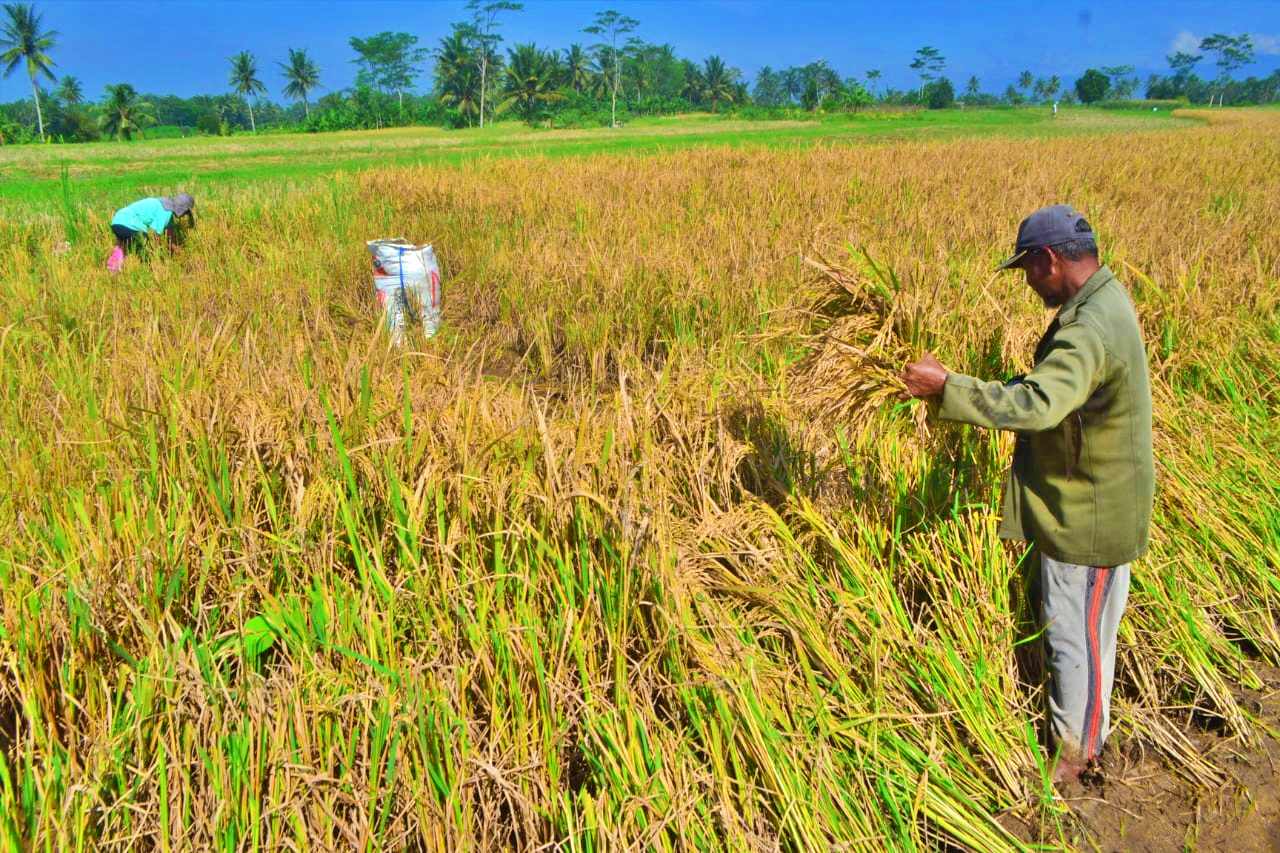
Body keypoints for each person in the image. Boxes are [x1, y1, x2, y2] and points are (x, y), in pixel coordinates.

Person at [900, 205, 1153, 784]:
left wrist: (948, 388)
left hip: (1086, 518)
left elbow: (1041, 405)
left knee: (1074, 640)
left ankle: (1076, 759)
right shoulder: (1104, 301)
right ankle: (1088, 737)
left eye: (1028, 271)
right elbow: (1052, 390)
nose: (1028, 283)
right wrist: (960, 389)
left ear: (1049, 259)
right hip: (1097, 502)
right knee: (1089, 636)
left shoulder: (1086, 329)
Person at [107, 193, 195, 272]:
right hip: (129, 224)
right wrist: (160, 256)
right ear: (182, 209)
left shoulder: (164, 205)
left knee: (123, 247)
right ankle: (151, 272)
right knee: (146, 248)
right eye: (185, 213)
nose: (184, 215)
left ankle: (113, 270)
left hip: (117, 221)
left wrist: (180, 254)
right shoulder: (166, 211)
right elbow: (156, 237)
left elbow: (170, 239)